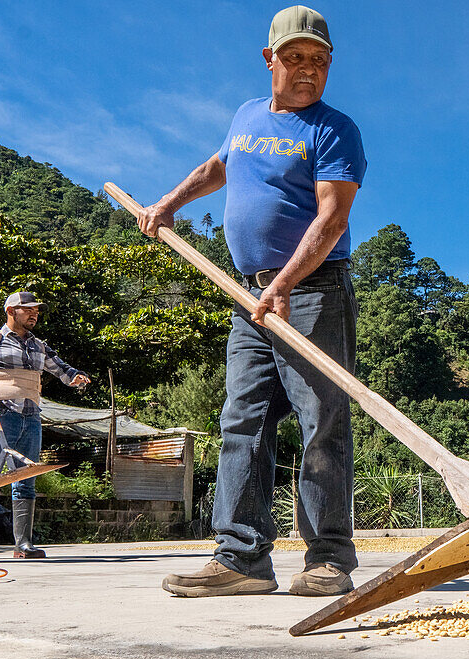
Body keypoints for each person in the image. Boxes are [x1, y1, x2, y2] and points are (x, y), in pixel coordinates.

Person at [138, 5, 366, 597]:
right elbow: (221, 165)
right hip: (247, 295)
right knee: (242, 419)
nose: (308, 70)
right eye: (295, 59)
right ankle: (241, 559)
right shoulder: (245, 116)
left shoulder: (334, 129)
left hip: (310, 292)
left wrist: (285, 284)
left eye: (319, 60)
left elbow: (333, 218)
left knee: (321, 424)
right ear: (270, 59)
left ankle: (328, 558)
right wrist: (169, 203)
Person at [0, 291, 91, 559]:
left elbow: (63, 370)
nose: (34, 314)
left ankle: (23, 545)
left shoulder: (38, 345)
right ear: (10, 311)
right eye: (27, 309)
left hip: (31, 418)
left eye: (36, 310)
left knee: (27, 478)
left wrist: (76, 378)